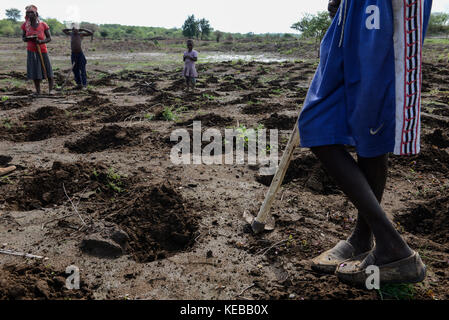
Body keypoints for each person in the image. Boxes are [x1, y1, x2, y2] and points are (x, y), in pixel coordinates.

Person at [299, 0, 433, 286]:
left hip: (389, 7)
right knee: (315, 121)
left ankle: (388, 246)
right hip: (354, 7)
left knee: (373, 127)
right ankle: (367, 239)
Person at [21, 5, 54, 95]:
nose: (30, 14)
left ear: (36, 14)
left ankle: (51, 90)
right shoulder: (25, 25)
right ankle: (38, 91)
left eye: (32, 12)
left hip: (42, 50)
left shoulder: (43, 24)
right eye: (28, 12)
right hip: (31, 51)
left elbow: (49, 38)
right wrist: (28, 39)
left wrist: (40, 41)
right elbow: (23, 38)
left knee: (48, 70)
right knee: (35, 71)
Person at [62, 24, 93, 90]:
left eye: (76, 28)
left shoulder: (80, 34)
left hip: (80, 54)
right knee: (75, 70)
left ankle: (84, 85)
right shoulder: (71, 34)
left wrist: (83, 29)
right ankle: (79, 84)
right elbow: (63, 30)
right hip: (73, 54)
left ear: (78, 29)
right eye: (74, 29)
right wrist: (71, 29)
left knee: (82, 70)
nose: (75, 30)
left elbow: (91, 33)